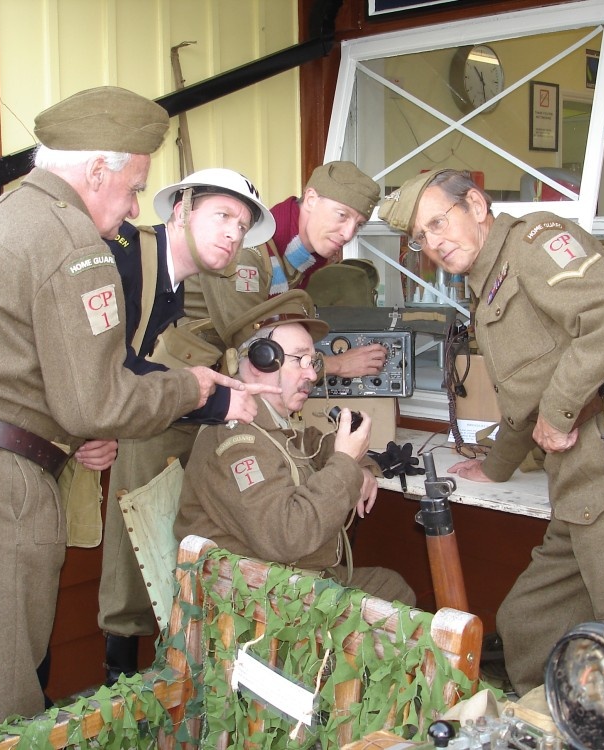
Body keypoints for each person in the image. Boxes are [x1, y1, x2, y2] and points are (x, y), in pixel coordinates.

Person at [0, 86, 255, 750]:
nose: (128, 211)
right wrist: (190, 386)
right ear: (96, 172)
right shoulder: (72, 241)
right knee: (1, 720)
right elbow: (95, 403)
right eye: (131, 187)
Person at [378, 168, 604, 695]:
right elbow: (525, 394)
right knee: (531, 619)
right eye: (421, 237)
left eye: (439, 222)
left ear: (477, 206)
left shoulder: (532, 242)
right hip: (582, 465)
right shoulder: (488, 280)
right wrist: (496, 464)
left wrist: (558, 409)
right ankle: (555, 725)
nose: (433, 242)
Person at [98, 168, 277, 683]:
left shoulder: (170, 285)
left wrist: (218, 402)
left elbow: (133, 373)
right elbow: (111, 371)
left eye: (242, 226)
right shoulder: (126, 258)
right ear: (180, 211)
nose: (233, 234)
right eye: (222, 216)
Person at [173, 290, 416, 606]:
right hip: (257, 604)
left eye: (313, 361)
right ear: (261, 359)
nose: (313, 374)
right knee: (394, 603)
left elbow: (315, 445)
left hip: (286, 580)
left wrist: (359, 464)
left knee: (390, 587)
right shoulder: (236, 439)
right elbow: (287, 535)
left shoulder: (271, 420)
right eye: (300, 360)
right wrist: (344, 462)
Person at [184, 160, 389, 378]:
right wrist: (335, 365)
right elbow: (253, 350)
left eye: (358, 225)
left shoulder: (299, 259)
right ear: (310, 199)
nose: (348, 234)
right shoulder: (247, 250)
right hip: (190, 379)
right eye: (342, 215)